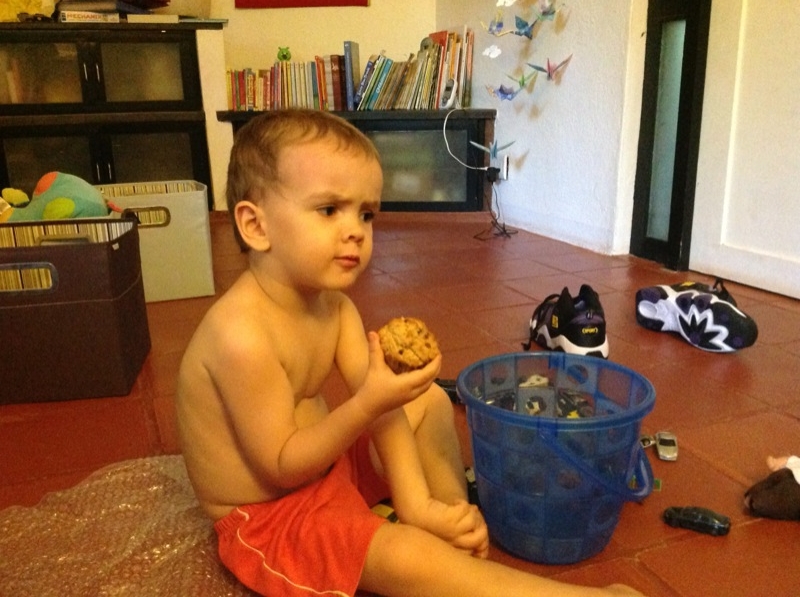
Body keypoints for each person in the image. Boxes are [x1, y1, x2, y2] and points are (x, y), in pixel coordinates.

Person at [176, 109, 646, 597]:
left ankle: (447, 517)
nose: (356, 230)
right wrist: (368, 403)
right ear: (256, 226)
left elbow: (385, 411)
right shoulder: (241, 336)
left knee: (428, 401)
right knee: (401, 555)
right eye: (329, 209)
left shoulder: (334, 308)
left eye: (366, 214)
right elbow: (281, 463)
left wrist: (417, 503)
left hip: (324, 470)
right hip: (270, 513)